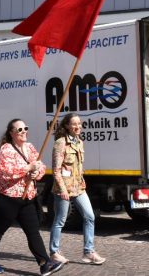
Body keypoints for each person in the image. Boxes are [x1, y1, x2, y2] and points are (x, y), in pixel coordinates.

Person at [0, 119, 64, 275]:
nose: (24, 131)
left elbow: (41, 166)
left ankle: (45, 264)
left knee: (33, 231)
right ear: (11, 133)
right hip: (5, 197)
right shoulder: (6, 150)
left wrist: (36, 172)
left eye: (25, 128)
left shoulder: (30, 147)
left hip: (26, 197)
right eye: (19, 129)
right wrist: (27, 168)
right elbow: (3, 172)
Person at [49, 113, 106, 265]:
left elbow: (79, 166)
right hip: (64, 189)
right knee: (60, 220)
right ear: (66, 125)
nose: (78, 127)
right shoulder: (60, 143)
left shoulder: (80, 142)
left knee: (90, 216)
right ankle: (54, 252)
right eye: (74, 124)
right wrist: (62, 190)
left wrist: (82, 181)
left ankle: (89, 252)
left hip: (78, 188)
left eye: (79, 124)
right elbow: (56, 170)